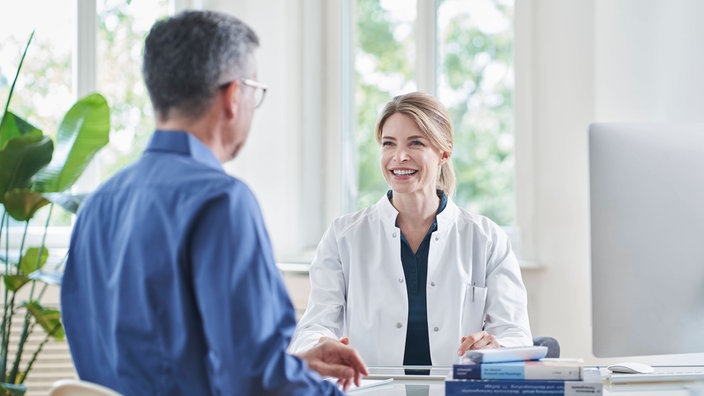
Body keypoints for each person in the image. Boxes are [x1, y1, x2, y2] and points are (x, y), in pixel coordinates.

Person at [61, 10, 366, 395]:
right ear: (234, 96)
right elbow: (257, 382)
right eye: (255, 91)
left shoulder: (97, 206)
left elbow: (154, 365)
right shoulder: (221, 202)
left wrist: (292, 366)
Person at [289, 91, 532, 366]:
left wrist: (495, 345)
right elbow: (313, 328)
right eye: (388, 144)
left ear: (444, 151)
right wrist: (321, 344)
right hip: (371, 390)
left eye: (415, 143)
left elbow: (517, 335)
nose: (399, 156)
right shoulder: (344, 236)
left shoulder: (486, 238)